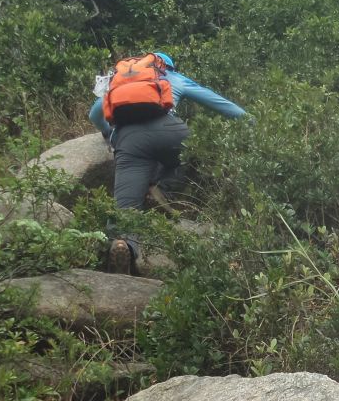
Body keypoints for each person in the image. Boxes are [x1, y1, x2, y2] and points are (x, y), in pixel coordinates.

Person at [88, 51, 249, 273]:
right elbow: (226, 107)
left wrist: (109, 133)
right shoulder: (173, 77)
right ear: (166, 67)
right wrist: (254, 124)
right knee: (195, 153)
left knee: (125, 209)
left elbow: (94, 114)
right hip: (171, 131)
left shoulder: (119, 81)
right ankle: (162, 190)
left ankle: (123, 245)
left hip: (130, 141)